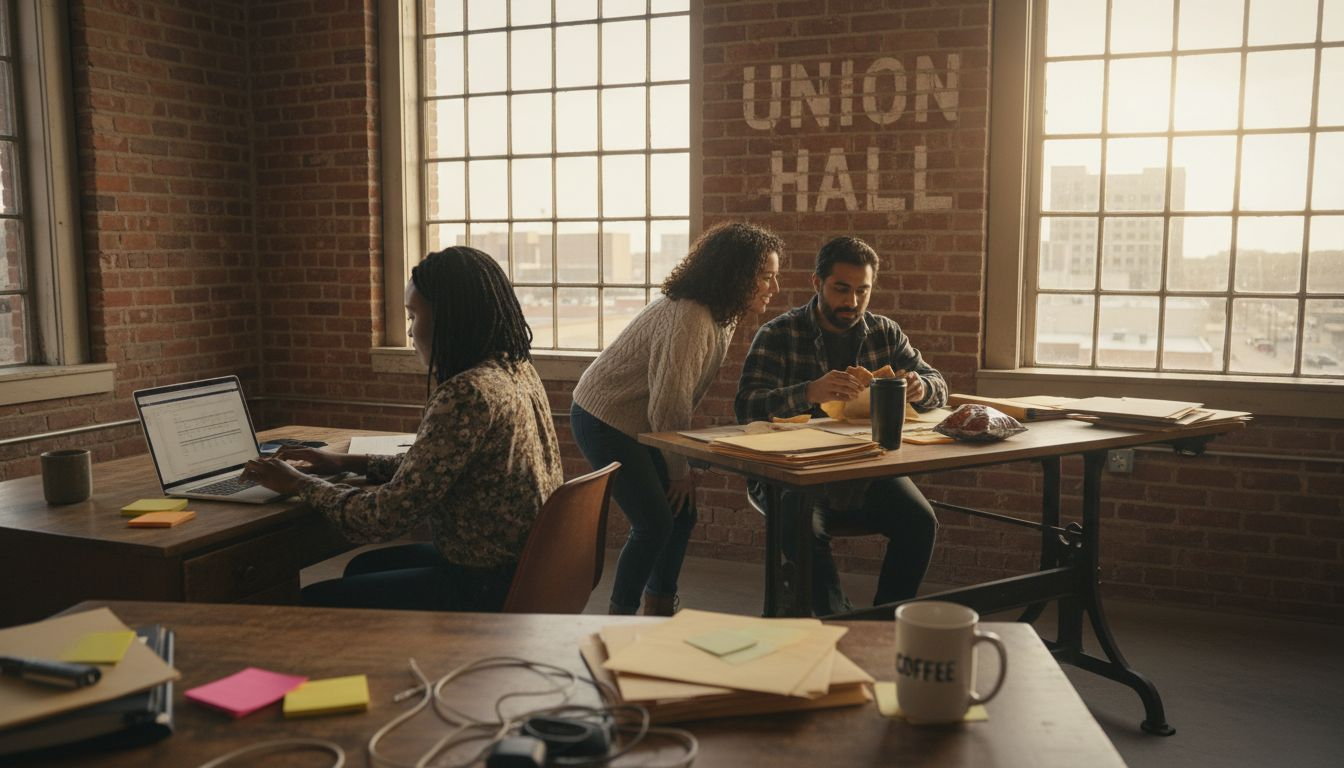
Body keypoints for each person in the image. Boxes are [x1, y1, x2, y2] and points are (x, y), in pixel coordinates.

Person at [240, 246, 563, 611]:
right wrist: (350, 462)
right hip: (526, 567)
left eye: (413, 316)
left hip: (485, 584)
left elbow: (383, 519)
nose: (410, 331)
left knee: (307, 602)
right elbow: (438, 470)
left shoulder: (466, 393)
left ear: (449, 317)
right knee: (363, 567)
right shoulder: (513, 369)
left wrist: (298, 483)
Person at [570, 221, 783, 616]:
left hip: (640, 421)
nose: (775, 288)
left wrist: (677, 466)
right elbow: (669, 404)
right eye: (766, 277)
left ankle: (659, 604)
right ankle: (620, 619)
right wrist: (679, 470)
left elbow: (672, 400)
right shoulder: (691, 315)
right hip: (604, 416)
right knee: (654, 523)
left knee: (681, 515)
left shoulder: (722, 312)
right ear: (736, 275)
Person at [735, 235, 946, 616]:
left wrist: (921, 386)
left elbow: (939, 386)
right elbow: (746, 408)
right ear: (817, 284)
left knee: (920, 522)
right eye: (841, 289)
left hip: (863, 468)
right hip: (791, 473)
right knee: (803, 530)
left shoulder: (885, 332)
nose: (851, 302)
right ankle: (840, 621)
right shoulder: (778, 334)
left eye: (862, 291)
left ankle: (884, 624)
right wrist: (809, 392)